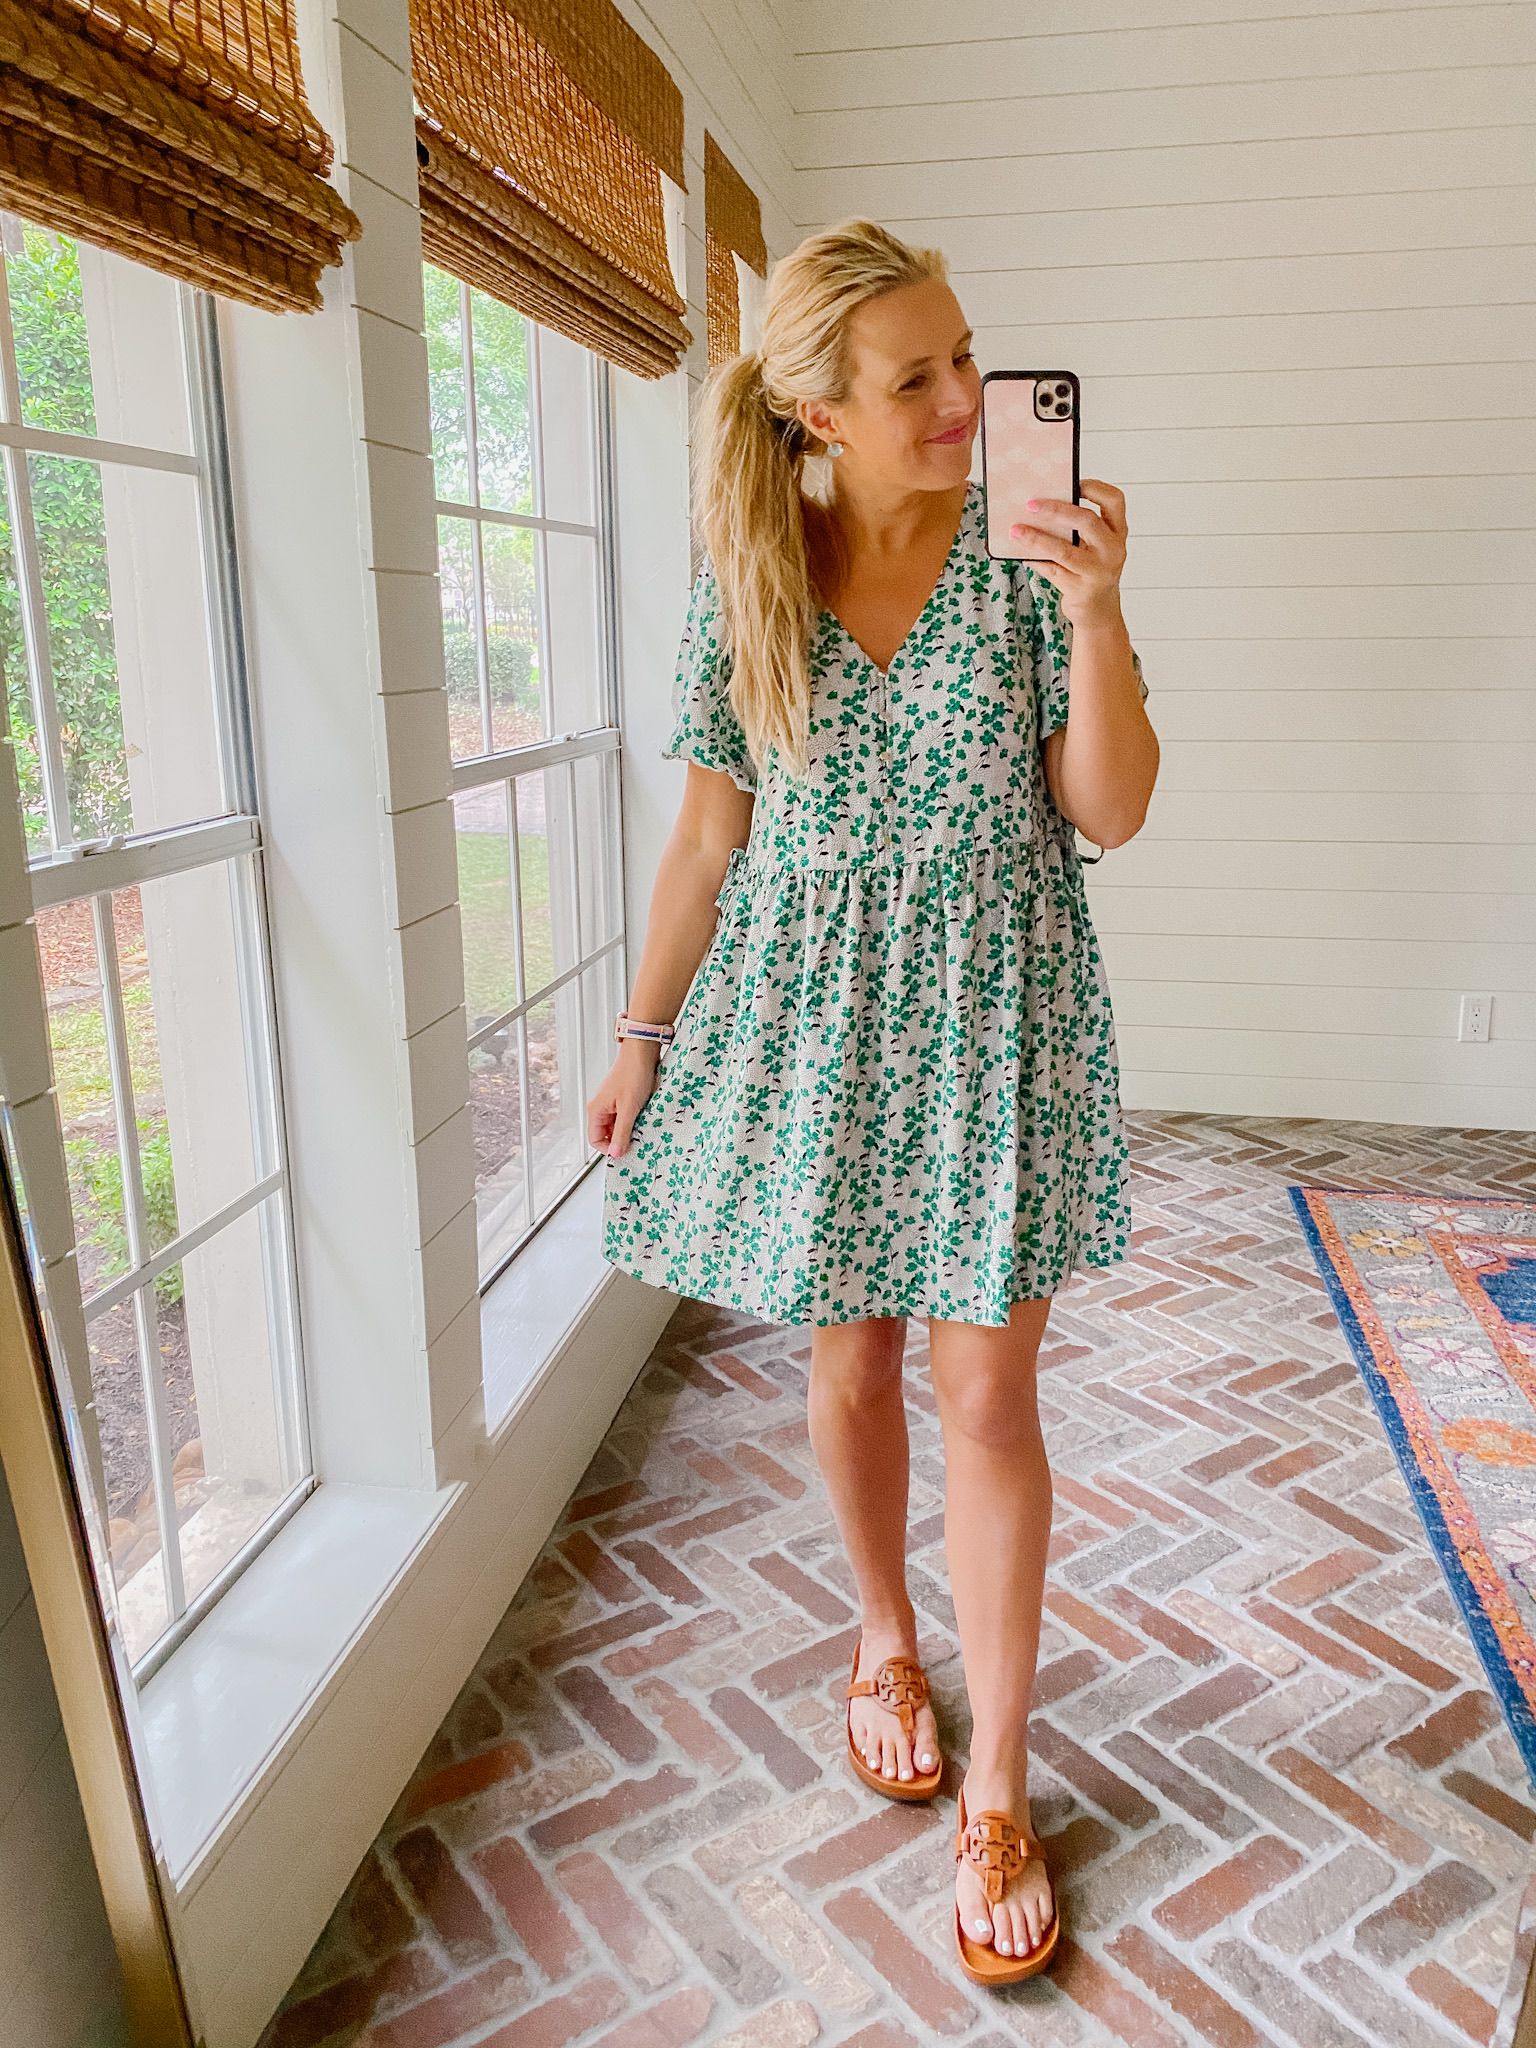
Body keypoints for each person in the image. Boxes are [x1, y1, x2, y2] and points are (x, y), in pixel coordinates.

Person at [587, 219, 1158, 1985]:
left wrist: (1100, 605)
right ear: (822, 414)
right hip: (818, 1024)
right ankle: (884, 1639)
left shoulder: (1022, 570)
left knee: (987, 1386)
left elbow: (1112, 811)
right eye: (919, 379)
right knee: (852, 1361)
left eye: (969, 361)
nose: (969, 401)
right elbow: (707, 835)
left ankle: (998, 1776)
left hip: (998, 1019)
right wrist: (640, 1028)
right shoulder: (748, 575)